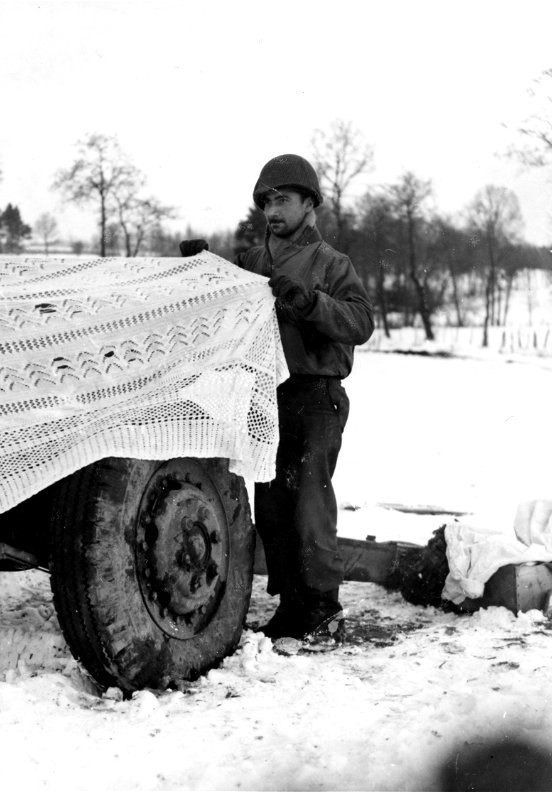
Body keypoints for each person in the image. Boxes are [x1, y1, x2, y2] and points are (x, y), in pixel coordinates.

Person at [181, 154, 374, 640]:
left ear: (310, 204)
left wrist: (310, 303)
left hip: (316, 396)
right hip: (264, 396)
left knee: (309, 505)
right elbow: (215, 307)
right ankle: (292, 604)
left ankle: (321, 606)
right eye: (266, 201)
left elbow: (361, 323)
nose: (272, 209)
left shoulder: (333, 264)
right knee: (271, 507)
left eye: (282, 199)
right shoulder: (250, 262)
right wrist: (199, 271)